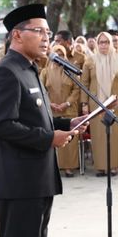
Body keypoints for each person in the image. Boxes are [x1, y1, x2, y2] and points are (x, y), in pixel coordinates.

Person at [0, 4, 86, 237]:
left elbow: (33, 118)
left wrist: (64, 123)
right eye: (39, 32)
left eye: (47, 32)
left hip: (38, 177)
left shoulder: (29, 69)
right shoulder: (6, 71)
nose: (46, 38)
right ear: (17, 35)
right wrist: (49, 138)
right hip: (18, 180)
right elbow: (2, 125)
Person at [81, 32, 118, 176]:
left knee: (115, 135)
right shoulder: (89, 61)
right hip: (96, 103)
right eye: (101, 42)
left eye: (106, 42)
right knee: (99, 136)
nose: (103, 45)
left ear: (111, 43)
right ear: (97, 44)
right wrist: (84, 103)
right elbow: (84, 83)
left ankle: (114, 166)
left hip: (115, 102)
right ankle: (101, 167)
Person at [40, 45, 81, 177]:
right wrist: (50, 104)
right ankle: (56, 168)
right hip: (51, 111)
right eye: (55, 54)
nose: (58, 57)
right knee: (54, 139)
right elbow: (41, 90)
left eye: (61, 54)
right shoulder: (45, 72)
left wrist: (67, 103)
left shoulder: (70, 71)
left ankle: (70, 167)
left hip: (69, 109)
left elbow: (77, 89)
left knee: (69, 140)